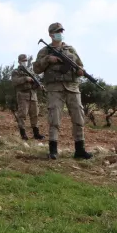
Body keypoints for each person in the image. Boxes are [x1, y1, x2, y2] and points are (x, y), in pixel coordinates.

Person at [33, 22, 92, 161]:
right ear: (51, 34)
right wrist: (48, 59)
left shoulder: (70, 49)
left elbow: (80, 66)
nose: (60, 33)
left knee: (78, 118)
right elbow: (36, 69)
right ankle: (53, 151)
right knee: (54, 118)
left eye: (61, 31)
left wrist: (79, 71)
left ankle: (80, 150)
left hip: (72, 87)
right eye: (57, 31)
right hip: (54, 88)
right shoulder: (44, 51)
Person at [11, 54, 45, 141]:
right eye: (23, 60)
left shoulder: (31, 71)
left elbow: (35, 81)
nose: (25, 62)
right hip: (22, 95)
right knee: (22, 115)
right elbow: (15, 82)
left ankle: (36, 134)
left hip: (33, 95)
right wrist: (25, 79)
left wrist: (39, 86)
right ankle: (23, 134)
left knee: (35, 115)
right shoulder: (16, 71)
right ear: (19, 61)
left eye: (26, 60)